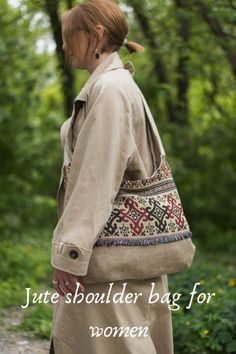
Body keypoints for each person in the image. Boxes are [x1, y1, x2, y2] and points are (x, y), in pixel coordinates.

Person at [49, 0, 174, 353]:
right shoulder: (116, 85)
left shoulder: (110, 90)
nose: (64, 46)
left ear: (96, 35)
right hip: (123, 259)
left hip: (108, 266)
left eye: (68, 37)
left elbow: (96, 179)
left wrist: (71, 253)